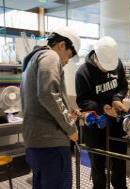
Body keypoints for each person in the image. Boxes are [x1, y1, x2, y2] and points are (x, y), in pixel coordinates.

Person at [21, 26, 81, 189]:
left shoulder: (32, 60)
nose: (67, 61)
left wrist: (67, 112)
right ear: (62, 45)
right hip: (51, 143)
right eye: (69, 55)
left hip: (36, 141)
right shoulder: (50, 56)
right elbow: (48, 94)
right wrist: (70, 128)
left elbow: (42, 98)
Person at [75, 36, 128, 189]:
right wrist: (103, 107)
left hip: (116, 123)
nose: (108, 70)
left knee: (120, 161)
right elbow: (82, 101)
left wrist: (117, 98)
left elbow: (123, 86)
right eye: (105, 66)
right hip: (95, 125)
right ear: (96, 57)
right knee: (98, 164)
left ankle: (120, 186)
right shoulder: (82, 72)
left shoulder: (117, 64)